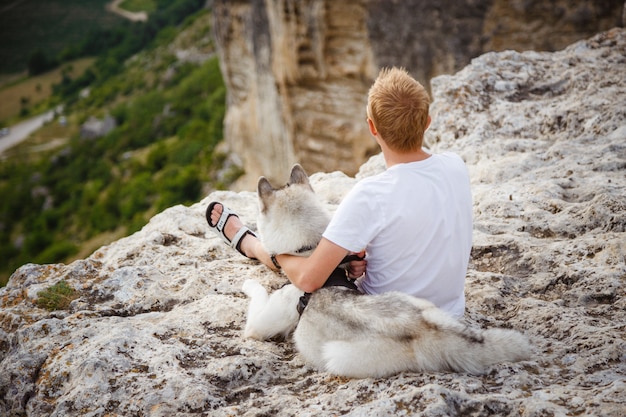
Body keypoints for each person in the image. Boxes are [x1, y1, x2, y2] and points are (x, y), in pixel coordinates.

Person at [207, 66, 472, 318]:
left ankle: (254, 245)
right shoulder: (455, 166)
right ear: (427, 122)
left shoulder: (371, 194)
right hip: (448, 317)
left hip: (388, 321)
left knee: (304, 257)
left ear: (372, 128)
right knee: (340, 255)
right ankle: (265, 247)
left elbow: (309, 279)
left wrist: (280, 252)